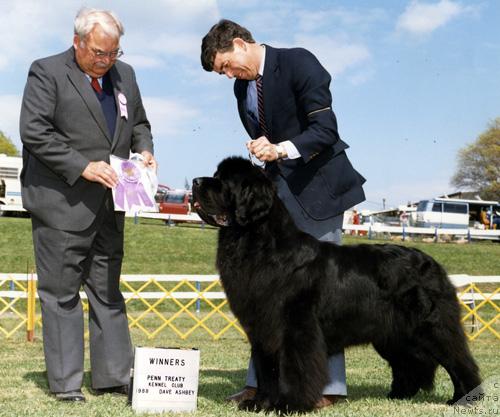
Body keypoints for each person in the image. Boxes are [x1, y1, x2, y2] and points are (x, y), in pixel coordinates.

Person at [201, 19, 366, 409]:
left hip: (319, 194)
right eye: (222, 72)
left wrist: (281, 148)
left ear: (240, 44)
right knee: (264, 296)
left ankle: (328, 388)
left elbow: (325, 129)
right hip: (278, 201)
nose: (228, 76)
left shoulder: (299, 63)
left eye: (226, 65)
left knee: (319, 296)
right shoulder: (243, 88)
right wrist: (263, 156)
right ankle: (261, 385)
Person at [19, 8, 156, 402]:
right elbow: (34, 131)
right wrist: (83, 166)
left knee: (108, 292)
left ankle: (114, 376)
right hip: (62, 204)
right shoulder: (45, 72)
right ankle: (65, 384)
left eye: (113, 52)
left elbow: (141, 124)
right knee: (61, 295)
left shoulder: (125, 75)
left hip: (112, 204)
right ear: (78, 41)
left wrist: (144, 151)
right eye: (99, 52)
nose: (106, 60)